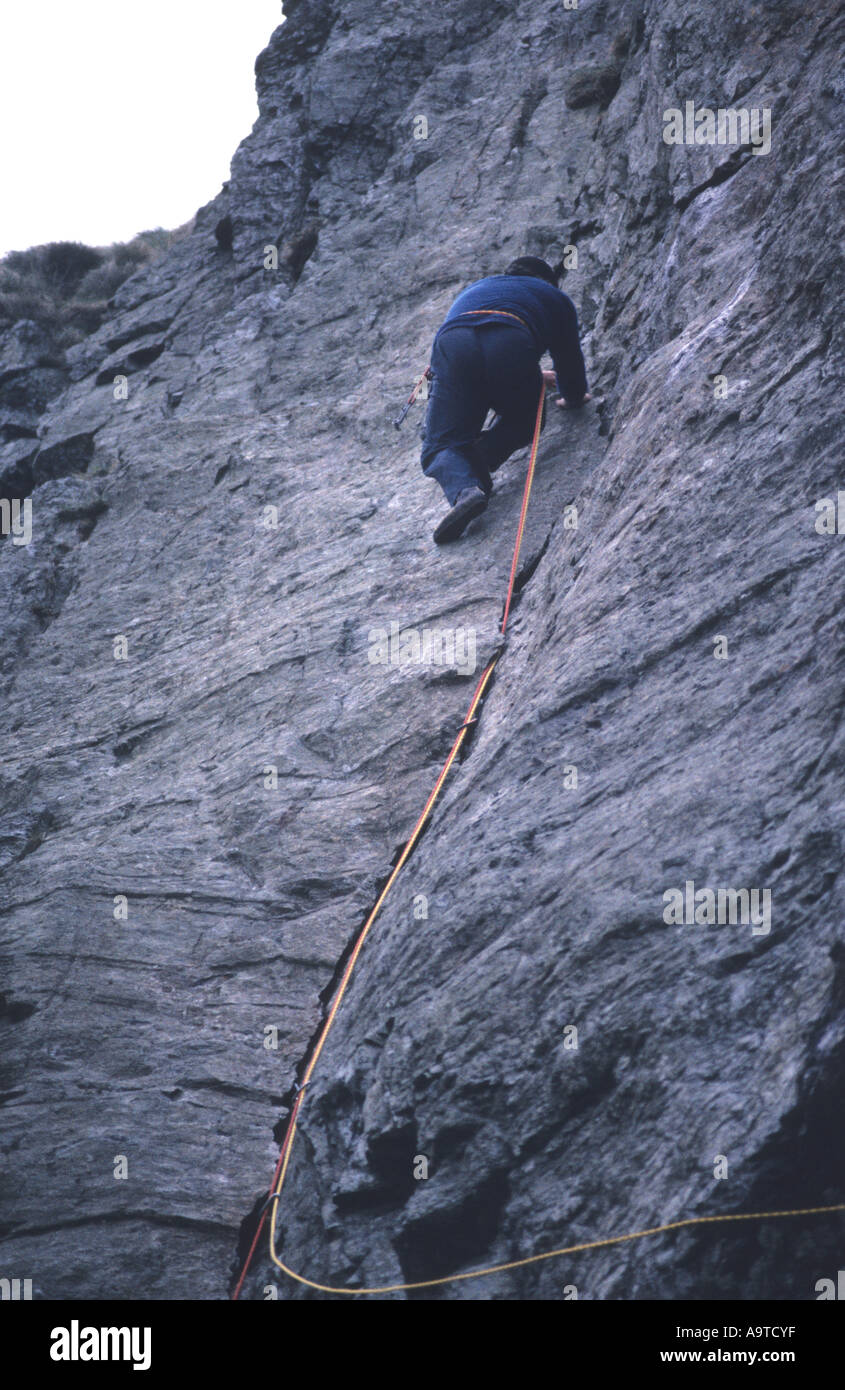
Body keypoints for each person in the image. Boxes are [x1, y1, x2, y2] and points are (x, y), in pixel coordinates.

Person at [420, 256, 590, 542]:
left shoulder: (478, 288)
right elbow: (569, 360)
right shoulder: (555, 297)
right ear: (549, 281)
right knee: (524, 420)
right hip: (510, 341)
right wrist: (571, 396)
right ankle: (481, 457)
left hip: (453, 343)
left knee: (441, 443)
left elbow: (476, 350)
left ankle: (466, 491)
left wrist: (535, 376)